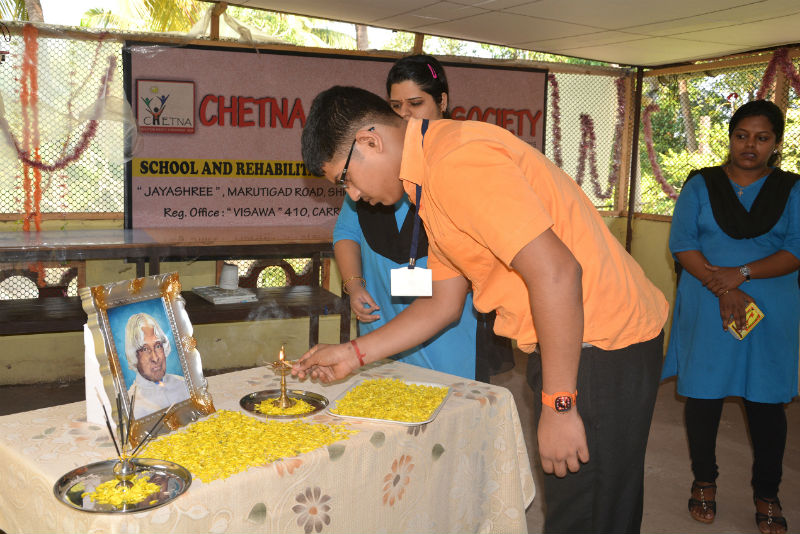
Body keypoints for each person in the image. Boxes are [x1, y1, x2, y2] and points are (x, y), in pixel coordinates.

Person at [294, 85, 669, 533]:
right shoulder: (428, 178)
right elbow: (443, 303)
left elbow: (557, 273)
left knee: (585, 515)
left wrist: (560, 405)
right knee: (594, 506)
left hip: (599, 344)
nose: (353, 196)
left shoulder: (456, 162)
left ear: (370, 142)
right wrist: (352, 354)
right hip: (572, 341)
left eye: (345, 179)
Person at [663, 99, 799, 534]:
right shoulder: (701, 184)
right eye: (742, 136)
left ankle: (767, 493)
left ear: (776, 143)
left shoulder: (791, 189)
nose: (750, 146)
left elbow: (796, 250)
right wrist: (724, 286)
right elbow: (682, 243)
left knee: (766, 404)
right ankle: (704, 482)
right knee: (704, 398)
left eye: (761, 138)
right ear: (730, 138)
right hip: (707, 302)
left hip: (770, 308)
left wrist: (740, 274)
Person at [335, 55, 478, 379]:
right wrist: (354, 286)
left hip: (445, 334)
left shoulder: (455, 168)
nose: (404, 114)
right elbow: (346, 231)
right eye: (395, 105)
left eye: (415, 103)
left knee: (448, 401)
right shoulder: (371, 172)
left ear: (442, 101)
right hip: (379, 324)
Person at [124, 312, 189, 418]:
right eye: (145, 349)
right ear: (134, 355)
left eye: (158, 346)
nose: (155, 358)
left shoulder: (183, 384)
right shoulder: (132, 405)